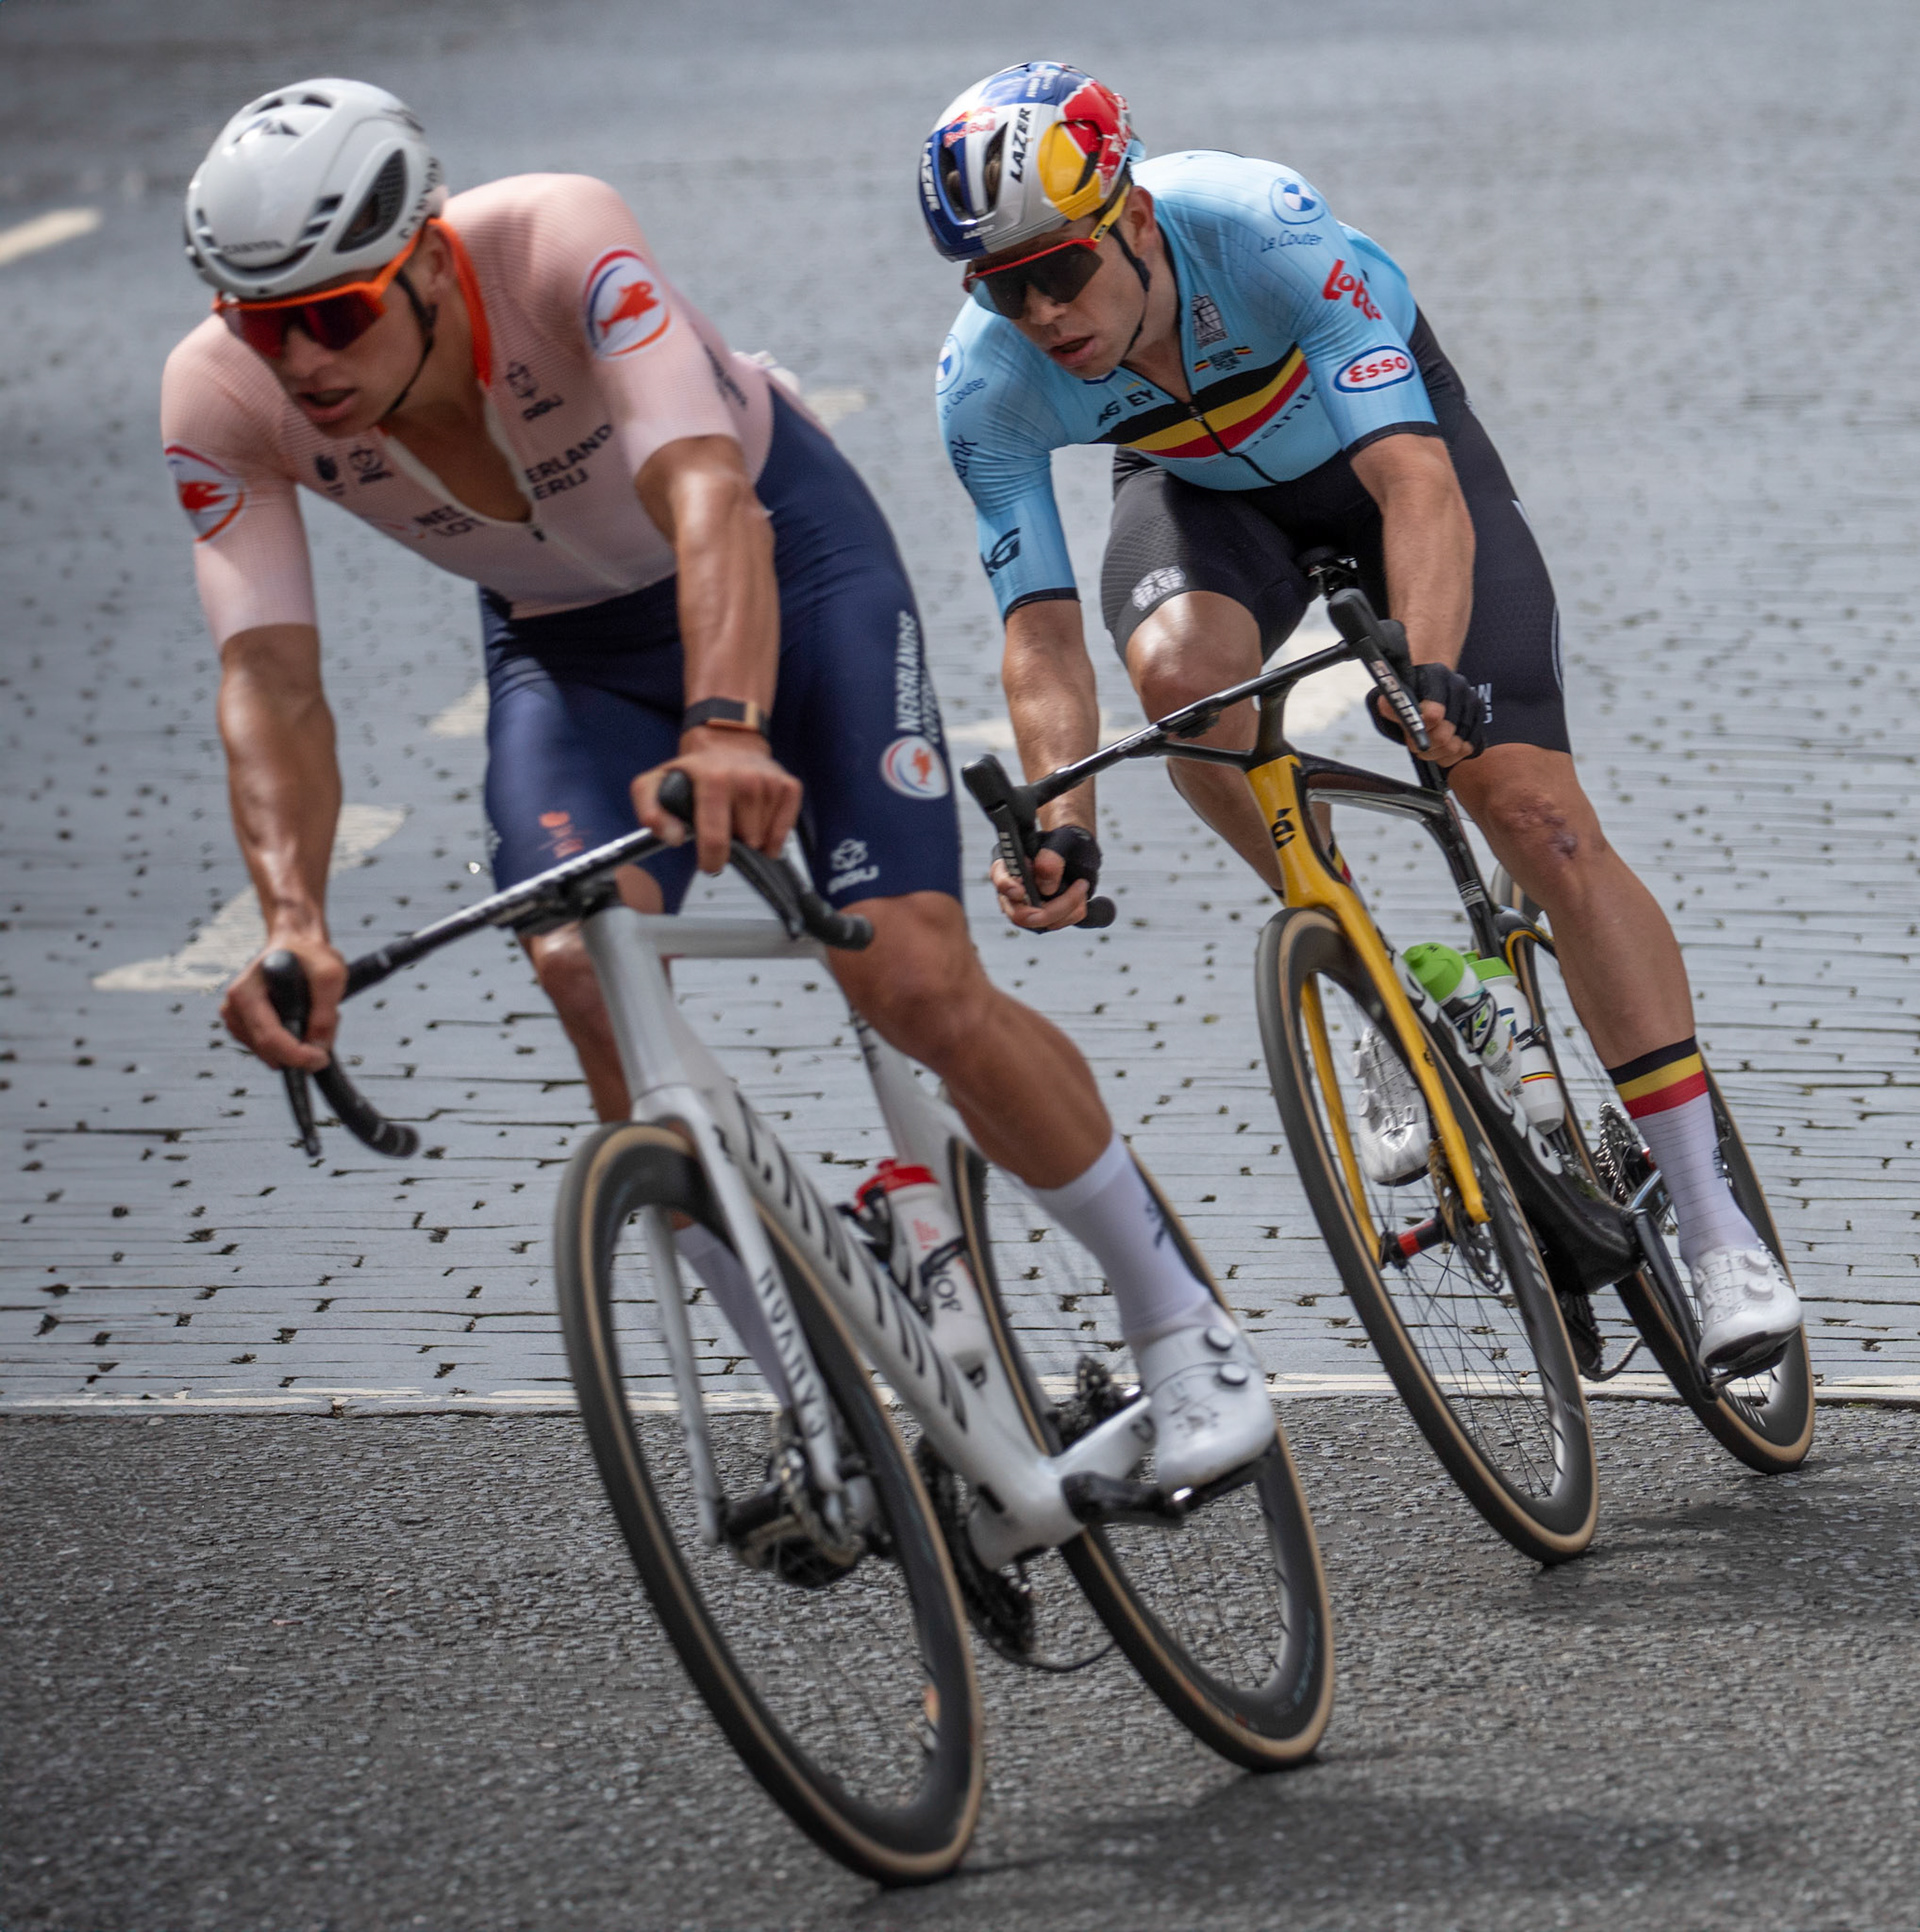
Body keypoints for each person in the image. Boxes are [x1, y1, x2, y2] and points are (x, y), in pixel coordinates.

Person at [161, 78, 1273, 1490]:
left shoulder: (559, 241)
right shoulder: (220, 399)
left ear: (431, 258)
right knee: (578, 957)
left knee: (913, 982)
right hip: (567, 654)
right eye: (265, 326)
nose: (303, 361)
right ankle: (819, 1402)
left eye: (337, 313)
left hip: (786, 566)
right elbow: (269, 678)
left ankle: (1181, 1323)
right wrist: (292, 919)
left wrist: (732, 729)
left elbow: (705, 499)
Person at [918, 61, 1801, 1373]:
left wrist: (1429, 675)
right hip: (1202, 494)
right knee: (1180, 692)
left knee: (1532, 812)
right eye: (1005, 287)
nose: (1043, 313)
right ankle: (1373, 973)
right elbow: (1041, 631)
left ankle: (1718, 1226)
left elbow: (1414, 490)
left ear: (1135, 220)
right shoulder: (983, 385)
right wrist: (1062, 812)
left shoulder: (1258, 228)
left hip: (1384, 455)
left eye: (1062, 271)